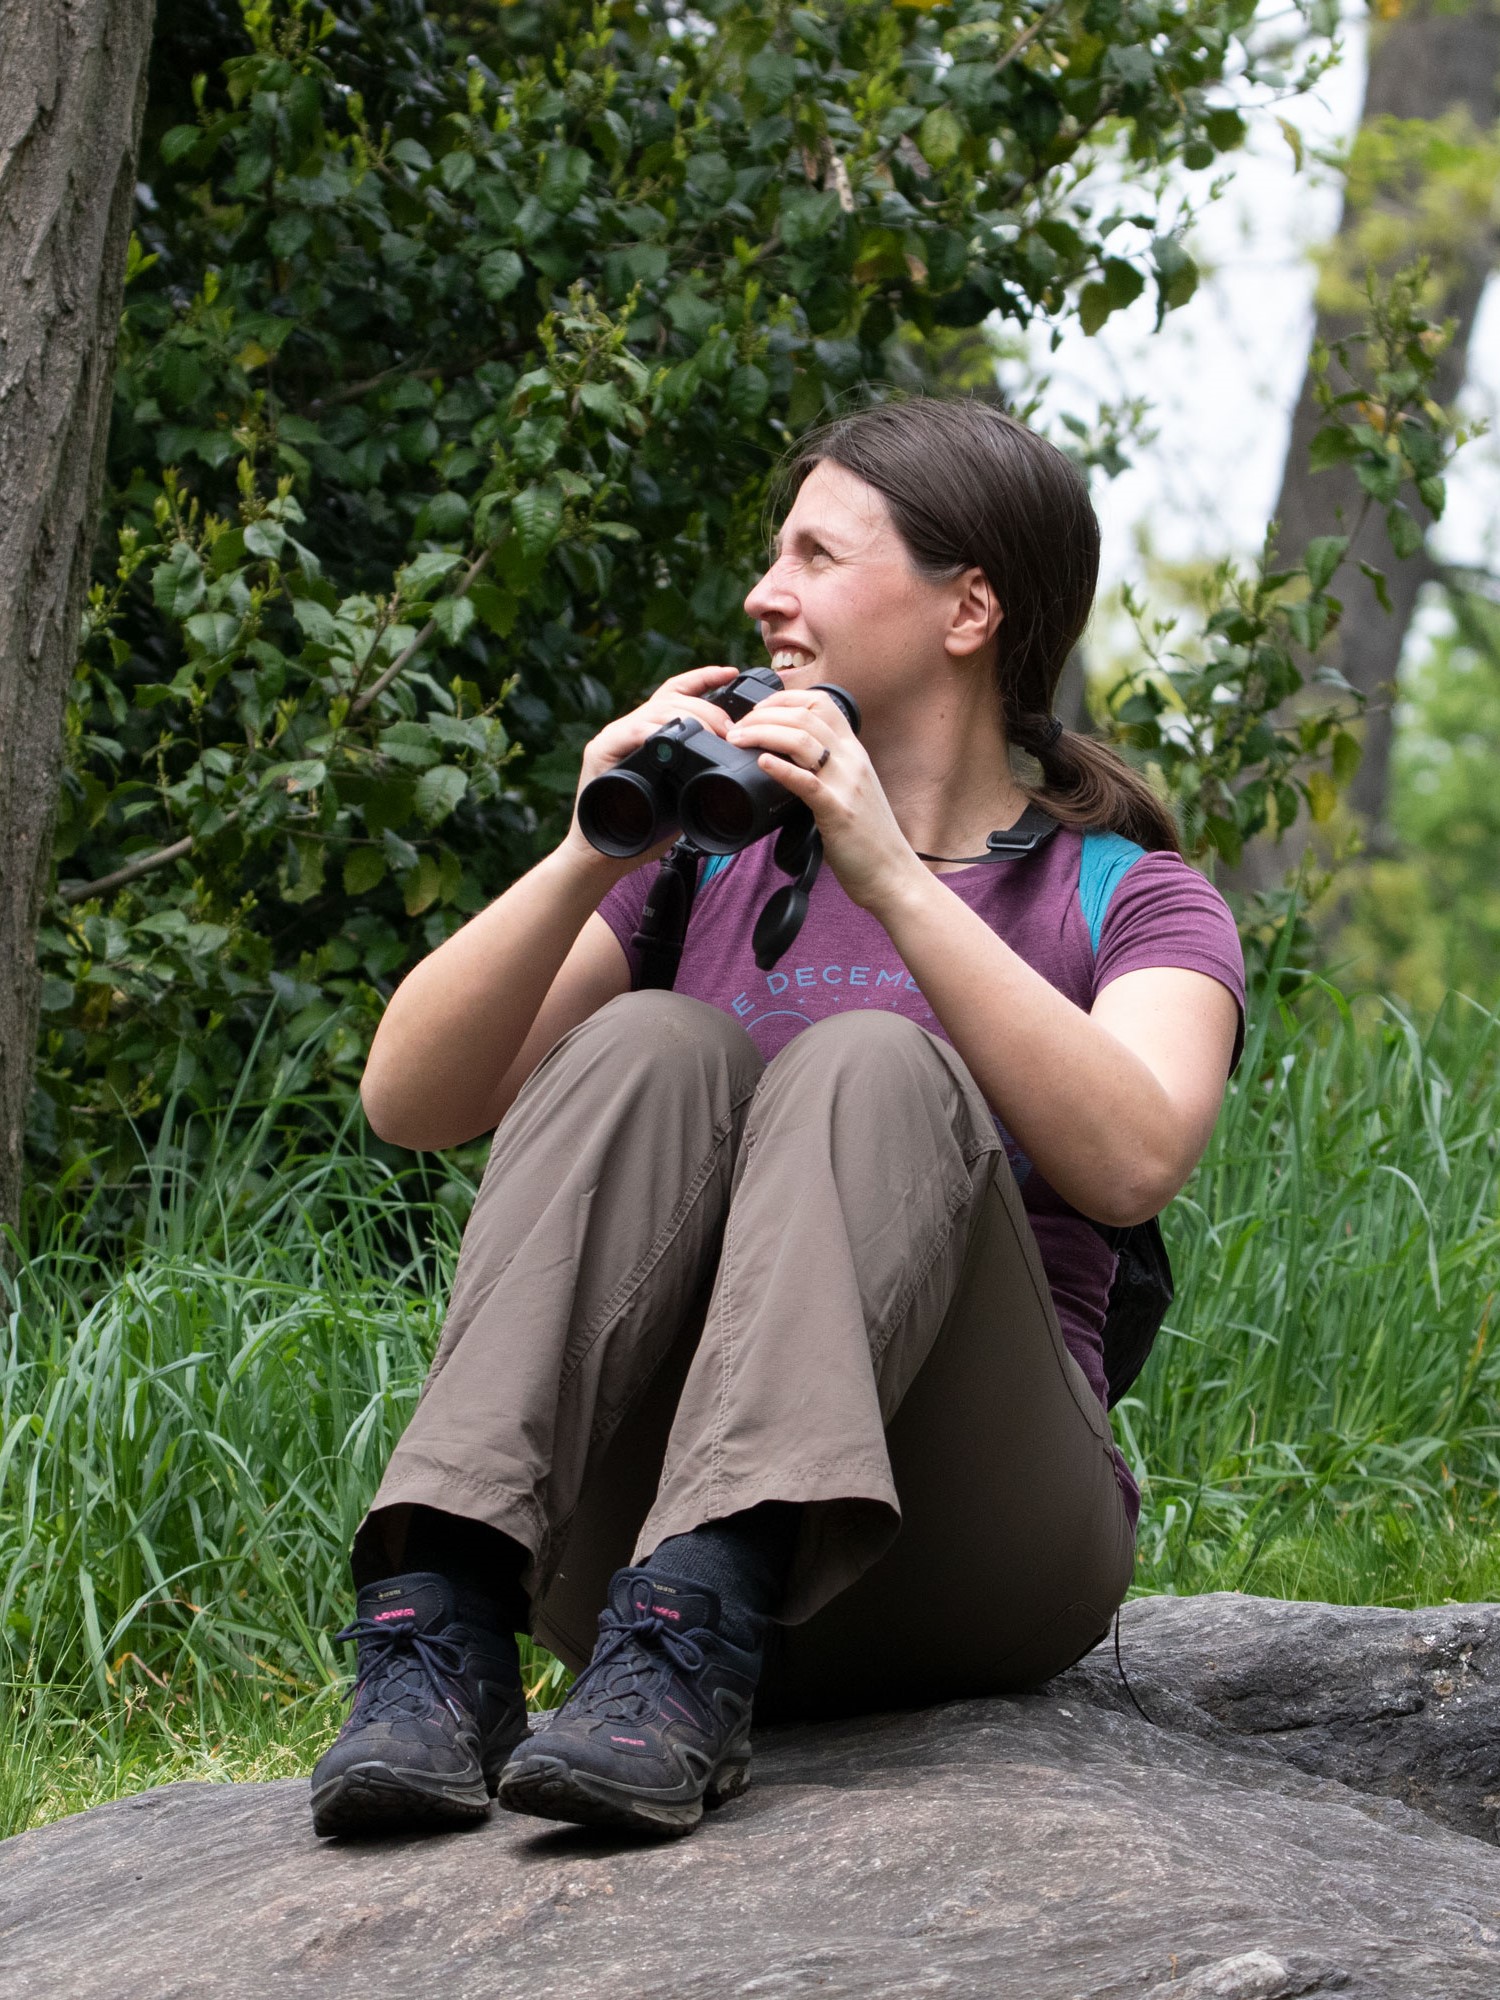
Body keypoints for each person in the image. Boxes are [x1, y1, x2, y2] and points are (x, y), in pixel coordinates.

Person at [308, 396, 1246, 1841]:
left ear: (969, 608)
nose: (764, 593)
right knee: (645, 1042)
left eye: (815, 554)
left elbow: (1131, 1160)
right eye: (773, 556)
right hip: (628, 1581)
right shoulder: (705, 869)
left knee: (872, 1063)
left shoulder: (1132, 897)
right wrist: (587, 848)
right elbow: (411, 1101)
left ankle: (709, 1605)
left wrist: (891, 875)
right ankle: (440, 1619)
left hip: (974, 1558)